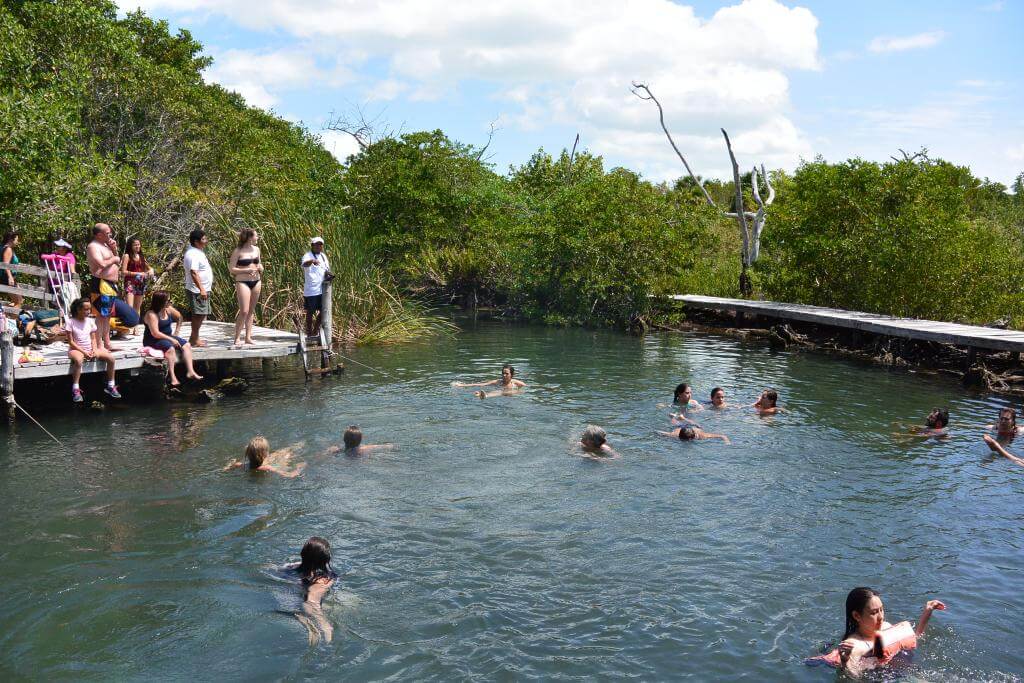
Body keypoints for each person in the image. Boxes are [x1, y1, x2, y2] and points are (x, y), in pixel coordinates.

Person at [832, 588, 946, 675]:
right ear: (857, 616)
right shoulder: (855, 645)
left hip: (907, 672)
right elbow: (853, 677)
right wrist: (844, 662)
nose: (880, 616)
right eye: (874, 613)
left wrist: (927, 612)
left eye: (881, 609)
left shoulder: (886, 627)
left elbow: (914, 639)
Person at [87, 223, 134, 350]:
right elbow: (101, 264)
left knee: (107, 316)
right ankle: (98, 344)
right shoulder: (93, 246)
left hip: (110, 284)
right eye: (108, 233)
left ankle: (107, 343)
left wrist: (113, 249)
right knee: (100, 315)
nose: (110, 235)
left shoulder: (106, 245)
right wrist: (114, 259)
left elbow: (116, 258)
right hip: (100, 283)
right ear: (99, 234)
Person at [143, 290, 203, 387]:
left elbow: (179, 317)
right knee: (170, 349)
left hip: (167, 337)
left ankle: (191, 371)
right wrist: (172, 339)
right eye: (168, 300)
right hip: (153, 340)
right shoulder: (152, 314)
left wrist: (177, 331)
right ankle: (172, 376)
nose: (170, 302)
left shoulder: (169, 310)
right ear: (161, 301)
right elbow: (155, 333)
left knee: (187, 345)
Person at [65, 297, 120, 402]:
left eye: (89, 309)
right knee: (79, 360)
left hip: (90, 348)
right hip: (76, 349)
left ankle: (110, 386)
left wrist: (94, 350)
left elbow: (93, 338)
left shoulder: (90, 321)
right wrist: (84, 352)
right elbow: (71, 342)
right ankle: (75, 388)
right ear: (78, 309)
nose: (88, 312)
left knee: (111, 359)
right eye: (85, 309)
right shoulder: (70, 322)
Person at [287, 537, 336, 644]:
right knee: (310, 603)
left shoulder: (291, 567)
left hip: (292, 592)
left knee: (297, 607)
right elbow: (312, 600)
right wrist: (325, 624)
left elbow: (275, 569)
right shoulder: (323, 579)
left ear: (303, 554)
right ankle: (306, 619)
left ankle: (302, 617)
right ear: (326, 559)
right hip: (308, 599)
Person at [229, 228, 263, 347]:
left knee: (251, 310)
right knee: (244, 311)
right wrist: (246, 270)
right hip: (243, 281)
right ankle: (237, 337)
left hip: (256, 281)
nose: (257, 238)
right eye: (256, 236)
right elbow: (232, 269)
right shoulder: (238, 251)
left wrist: (260, 267)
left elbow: (258, 263)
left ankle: (248, 337)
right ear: (249, 238)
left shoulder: (257, 249)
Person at [183, 228, 213, 347]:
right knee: (198, 314)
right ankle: (194, 339)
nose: (206, 241)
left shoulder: (197, 251)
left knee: (201, 314)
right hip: (197, 290)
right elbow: (194, 272)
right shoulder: (193, 254)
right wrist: (202, 289)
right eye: (203, 239)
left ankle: (194, 338)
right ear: (196, 241)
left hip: (202, 289)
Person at [223, 436, 306, 477]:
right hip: (272, 464)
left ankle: (293, 448)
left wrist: (230, 463)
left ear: (248, 453)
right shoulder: (267, 468)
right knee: (285, 455)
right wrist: (299, 468)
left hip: (262, 462)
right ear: (265, 454)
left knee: (280, 454)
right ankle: (296, 446)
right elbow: (289, 475)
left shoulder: (241, 465)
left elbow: (228, 468)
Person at [301, 236, 330, 338]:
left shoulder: (323, 256)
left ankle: (315, 330)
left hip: (323, 289)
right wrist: (312, 261)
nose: (319, 246)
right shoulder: (307, 255)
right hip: (312, 290)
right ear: (312, 245)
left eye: (320, 244)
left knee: (324, 310)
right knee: (311, 311)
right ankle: (309, 332)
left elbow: (325, 269)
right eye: (317, 244)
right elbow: (304, 264)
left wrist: (328, 275)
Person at [120, 237, 154, 321]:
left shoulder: (141, 257)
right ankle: (129, 325)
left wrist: (151, 270)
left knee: (137, 307)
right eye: (135, 245)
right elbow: (123, 271)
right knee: (129, 307)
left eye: (138, 244)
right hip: (130, 283)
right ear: (130, 246)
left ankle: (135, 326)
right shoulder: (127, 256)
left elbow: (149, 267)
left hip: (140, 283)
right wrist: (138, 273)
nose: (137, 246)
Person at [455, 364, 526, 398]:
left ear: (512, 374)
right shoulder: (498, 382)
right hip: (500, 393)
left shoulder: (516, 383)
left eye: (506, 374)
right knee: (500, 391)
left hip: (512, 396)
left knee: (503, 392)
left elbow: (528, 388)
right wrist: (462, 385)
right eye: (503, 373)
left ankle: (484, 395)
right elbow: (481, 385)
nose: (504, 375)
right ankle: (483, 395)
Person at [325, 426, 394, 456]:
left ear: (344, 439)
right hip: (358, 460)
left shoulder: (336, 449)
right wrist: (390, 445)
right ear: (360, 440)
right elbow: (388, 446)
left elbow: (319, 456)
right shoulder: (364, 449)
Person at [2, 231, 22, 307]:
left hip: (8, 278)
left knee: (17, 300)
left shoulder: (3, 247)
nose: (17, 241)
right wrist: (10, 277)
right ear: (11, 240)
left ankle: (6, 315)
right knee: (18, 301)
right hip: (7, 278)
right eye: (16, 239)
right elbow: (5, 264)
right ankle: (10, 318)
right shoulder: (8, 249)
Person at [659, 425, 730, 444]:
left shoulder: (702, 436)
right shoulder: (674, 435)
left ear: (694, 437)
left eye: (690, 440)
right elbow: (659, 432)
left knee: (696, 424)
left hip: (695, 427)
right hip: (679, 427)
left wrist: (727, 442)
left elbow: (722, 436)